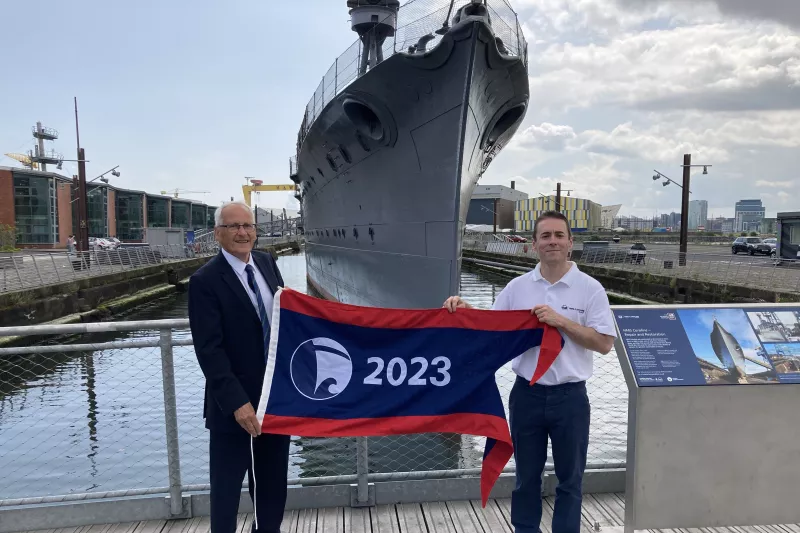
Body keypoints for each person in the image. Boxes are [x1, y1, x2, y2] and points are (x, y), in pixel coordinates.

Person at [443, 210, 616, 533]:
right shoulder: (517, 288)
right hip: (527, 395)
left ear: (570, 243)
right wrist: (466, 311)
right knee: (525, 477)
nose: (552, 242)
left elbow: (604, 344)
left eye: (558, 235)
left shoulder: (590, 289)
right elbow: (492, 330)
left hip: (571, 398)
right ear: (533, 244)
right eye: (545, 236)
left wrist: (561, 321)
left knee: (570, 479)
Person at [188, 201, 289, 533]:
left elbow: (285, 318)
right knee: (227, 493)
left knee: (272, 489)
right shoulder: (205, 281)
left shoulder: (266, 263)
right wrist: (237, 404)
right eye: (233, 227)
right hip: (234, 408)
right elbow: (209, 350)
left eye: (248, 226)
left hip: (275, 403)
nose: (243, 233)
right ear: (218, 233)